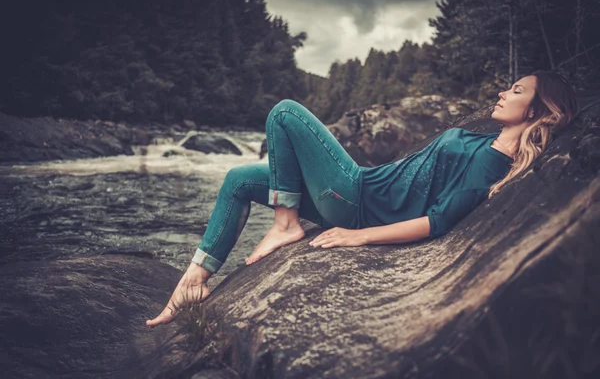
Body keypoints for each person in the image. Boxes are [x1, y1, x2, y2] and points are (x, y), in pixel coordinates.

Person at [146, 70, 579, 327]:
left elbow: (440, 220)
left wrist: (361, 237)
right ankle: (193, 283)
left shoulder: (493, 161)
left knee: (284, 112)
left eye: (517, 90)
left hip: (355, 197)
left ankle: (285, 224)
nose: (504, 92)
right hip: (359, 188)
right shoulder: (483, 139)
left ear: (540, 111)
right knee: (240, 177)